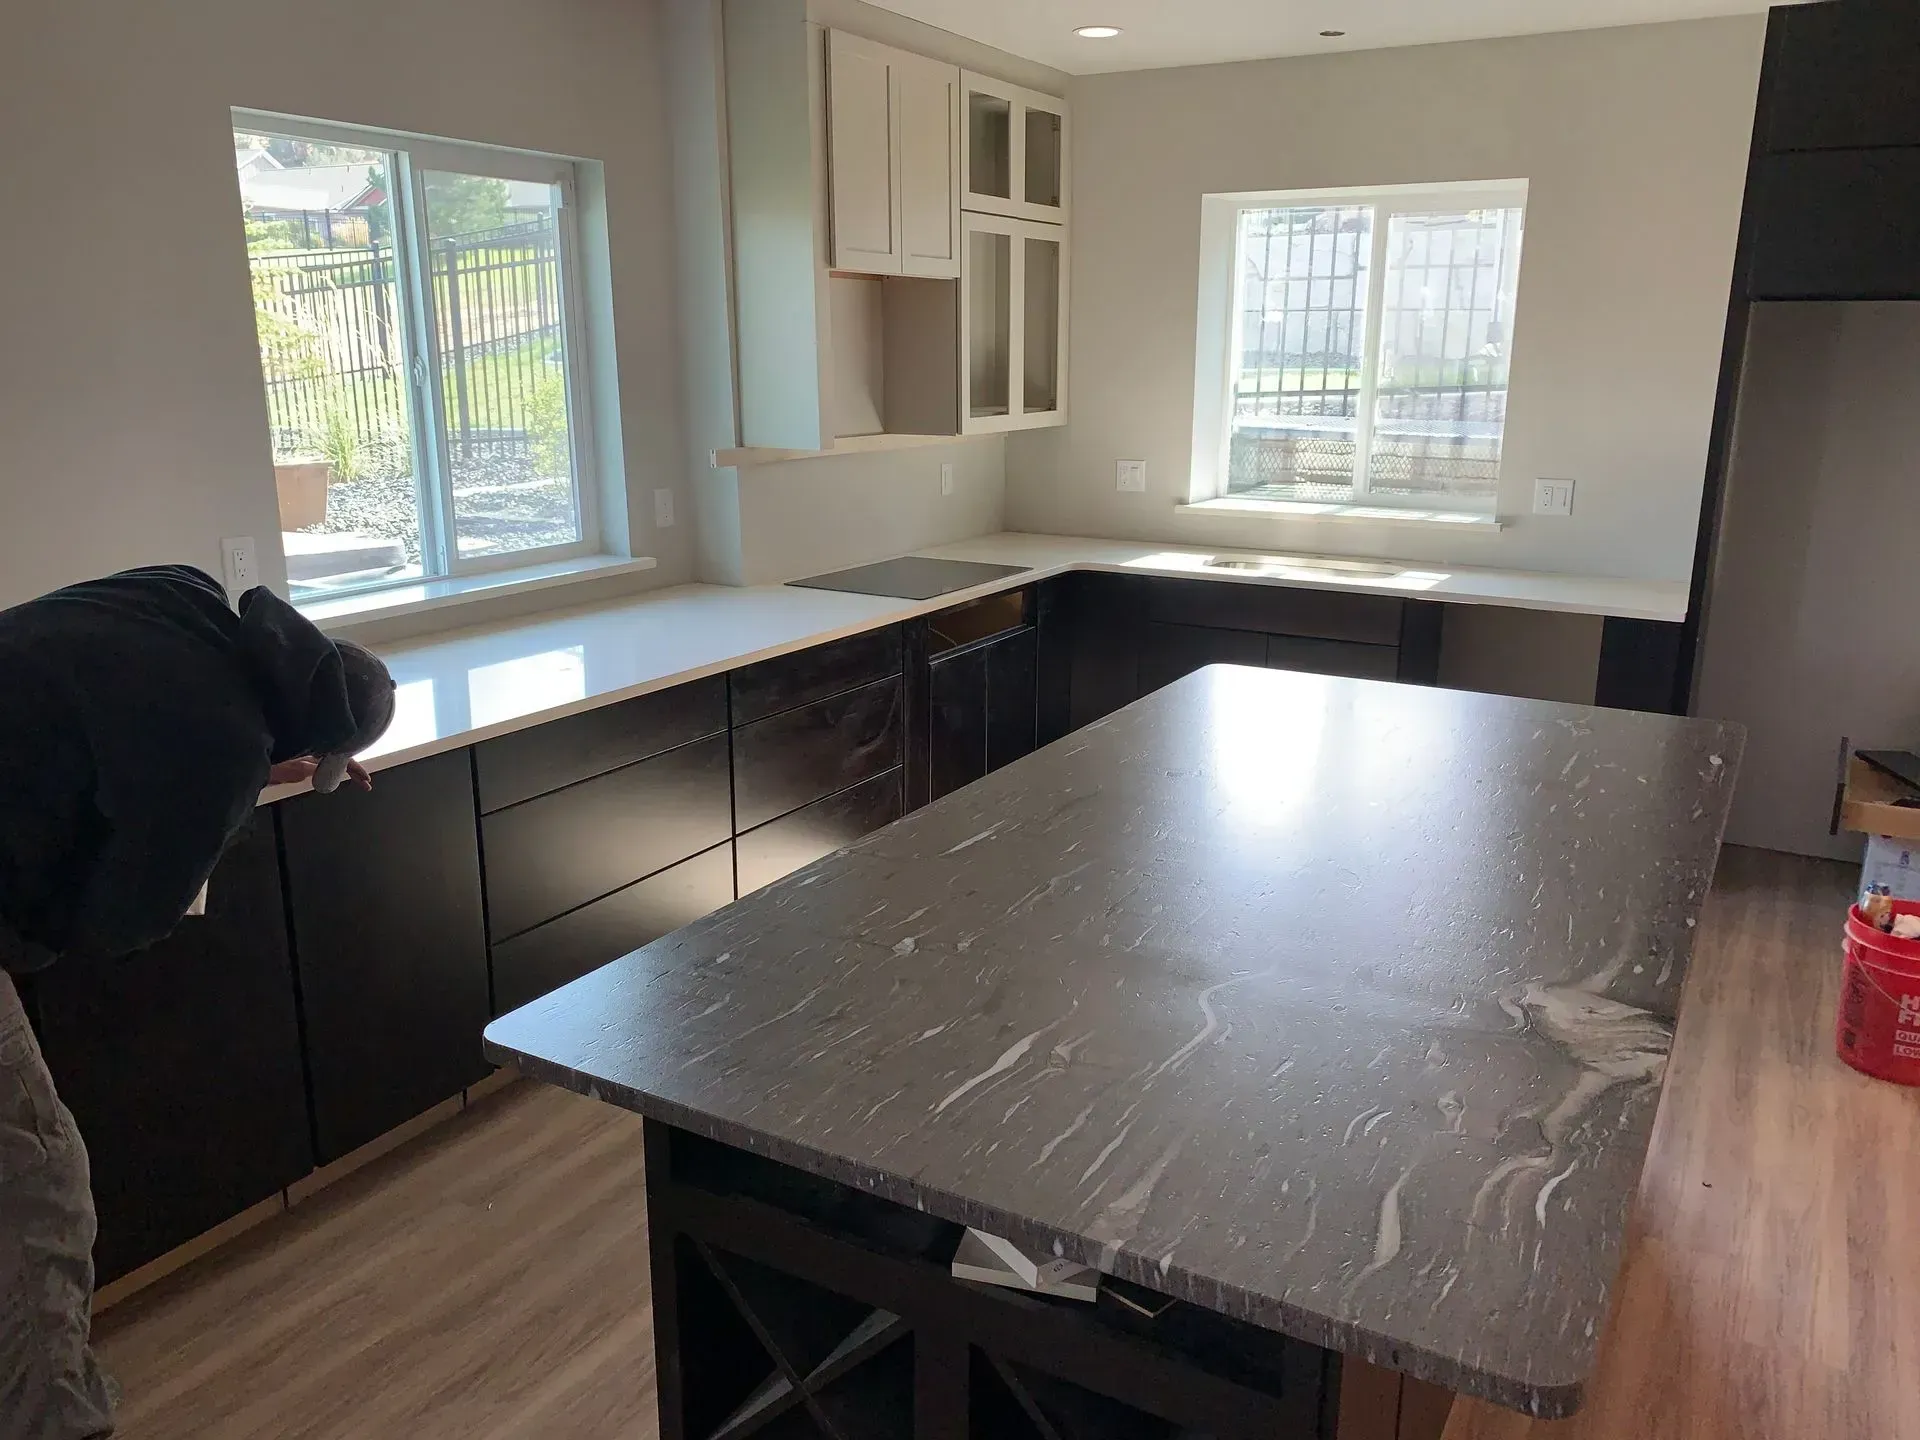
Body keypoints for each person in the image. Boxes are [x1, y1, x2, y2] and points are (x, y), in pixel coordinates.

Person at [0, 565, 396, 1439]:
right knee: (36, 1188)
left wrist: (246, 769)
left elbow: (139, 716)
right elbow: (119, 924)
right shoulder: (215, 749)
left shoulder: (182, 593)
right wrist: (224, 795)